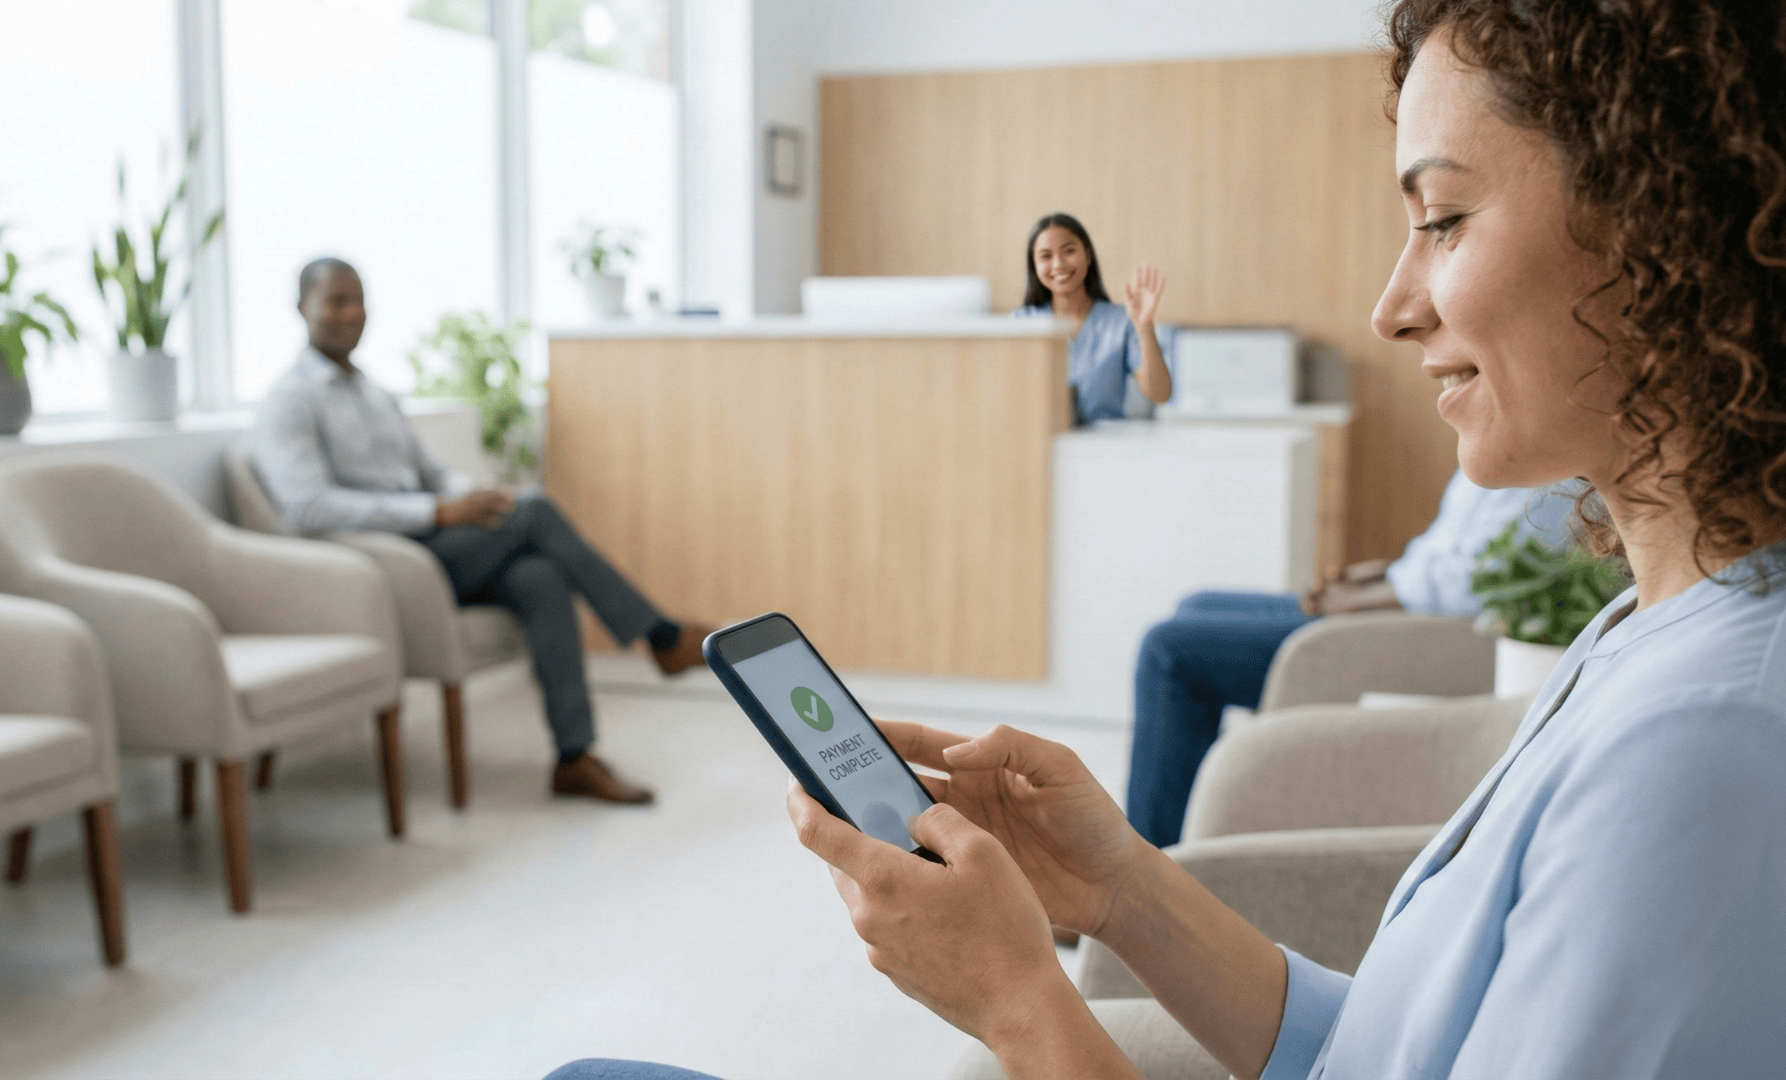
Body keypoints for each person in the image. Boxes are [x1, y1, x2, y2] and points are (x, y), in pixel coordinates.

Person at [550, 0, 1786, 1076]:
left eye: (1445, 219)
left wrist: (1021, 1005)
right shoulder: (1655, 622)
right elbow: (1387, 1054)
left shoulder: (1706, 747)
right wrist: (1122, 888)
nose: (1392, 304)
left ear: (1664, 224)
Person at [252, 258, 713, 805]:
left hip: (439, 548)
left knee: (541, 575)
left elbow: (430, 471)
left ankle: (574, 757)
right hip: (387, 562)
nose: (350, 313)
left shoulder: (375, 394)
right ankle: (661, 637)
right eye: (335, 301)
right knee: (536, 511)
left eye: (358, 300)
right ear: (300, 306)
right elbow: (308, 507)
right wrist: (435, 513)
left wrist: (469, 497)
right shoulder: (289, 400)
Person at [1127, 468, 1575, 847]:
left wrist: (1365, 600)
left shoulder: (1554, 470)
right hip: (1397, 599)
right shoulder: (1502, 444)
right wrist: (1372, 576)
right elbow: (1446, 553)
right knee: (1198, 605)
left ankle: (1141, 872)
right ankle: (1183, 842)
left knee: (1170, 651)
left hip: (1414, 634)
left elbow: (1478, 583)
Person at [1011, 212, 1174, 424]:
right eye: (1045, 256)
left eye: (1069, 251)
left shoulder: (1121, 322)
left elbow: (1160, 395)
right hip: (1038, 446)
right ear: (1034, 266)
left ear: (1087, 255)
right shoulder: (1018, 324)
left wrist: (1144, 327)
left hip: (1104, 449)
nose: (1058, 264)